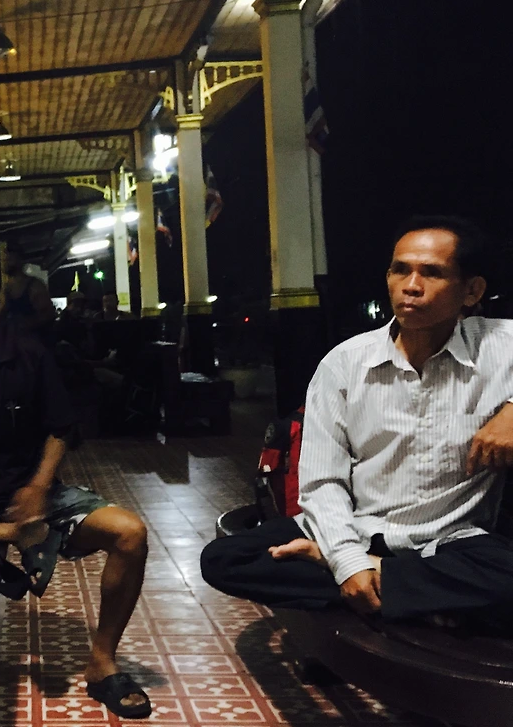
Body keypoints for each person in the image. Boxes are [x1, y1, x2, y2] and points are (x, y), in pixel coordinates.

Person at [201, 217, 513, 625]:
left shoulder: (500, 345)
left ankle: (376, 580)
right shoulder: (345, 363)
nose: (411, 285)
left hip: (451, 541)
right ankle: (412, 593)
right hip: (357, 527)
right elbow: (321, 482)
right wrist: (347, 559)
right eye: (400, 270)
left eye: (432, 273)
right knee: (225, 559)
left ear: (472, 291)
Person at [0, 254, 152, 718]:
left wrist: (37, 487)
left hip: (36, 498)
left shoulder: (29, 353)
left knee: (129, 534)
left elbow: (60, 428)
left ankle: (102, 663)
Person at [0, 243, 56, 337]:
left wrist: (24, 324)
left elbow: (48, 314)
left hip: (34, 342)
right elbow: (0, 315)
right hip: (15, 342)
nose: (4, 262)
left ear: (20, 259)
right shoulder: (6, 288)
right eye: (4, 259)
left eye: (9, 258)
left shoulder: (35, 286)